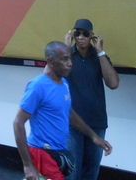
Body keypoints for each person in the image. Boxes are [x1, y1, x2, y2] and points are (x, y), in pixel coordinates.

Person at [13, 41, 112, 180]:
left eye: (70, 58)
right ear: (50, 61)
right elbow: (17, 123)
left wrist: (94, 136)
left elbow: (69, 112)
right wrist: (28, 165)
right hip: (41, 153)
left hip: (59, 151)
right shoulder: (38, 86)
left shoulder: (63, 83)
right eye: (64, 59)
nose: (70, 63)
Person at [64, 19, 120, 180]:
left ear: (92, 37)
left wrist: (100, 51)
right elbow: (52, 78)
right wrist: (65, 48)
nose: (81, 37)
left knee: (91, 172)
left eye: (85, 34)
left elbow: (113, 84)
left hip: (96, 123)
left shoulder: (99, 57)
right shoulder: (67, 55)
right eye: (77, 33)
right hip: (71, 123)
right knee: (71, 172)